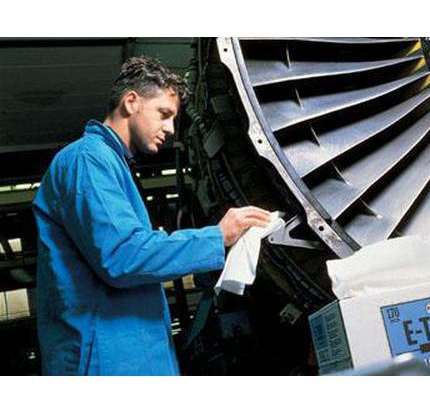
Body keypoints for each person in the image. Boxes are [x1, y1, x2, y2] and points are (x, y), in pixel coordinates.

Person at [32, 56, 271, 375]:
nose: (170, 129)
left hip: (128, 357)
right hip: (106, 363)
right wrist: (217, 236)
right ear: (131, 102)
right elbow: (123, 255)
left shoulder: (111, 165)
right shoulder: (87, 160)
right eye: (164, 114)